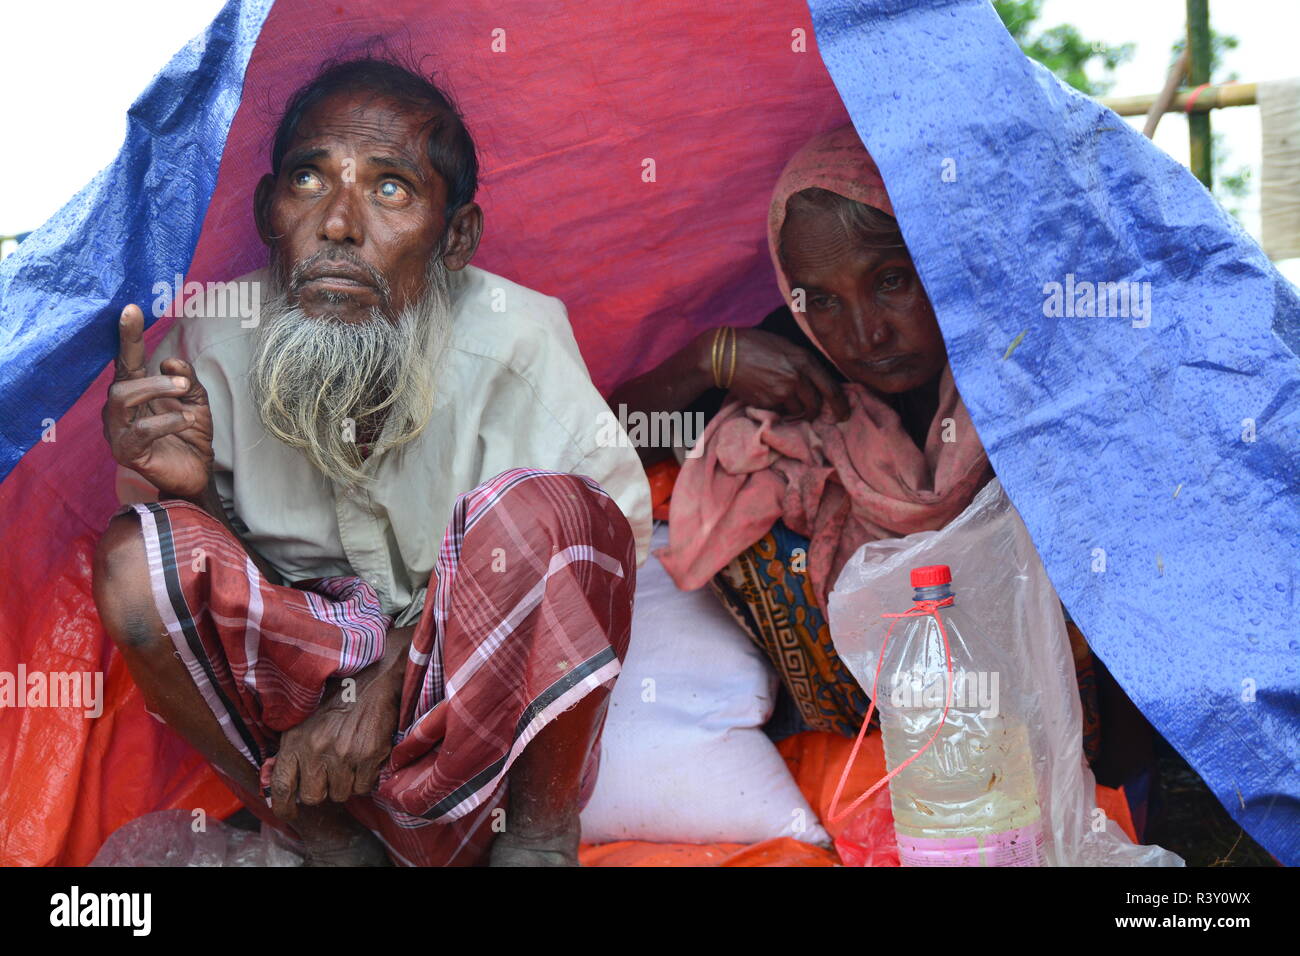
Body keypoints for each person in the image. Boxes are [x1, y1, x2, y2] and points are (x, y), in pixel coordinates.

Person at [93, 57, 651, 867]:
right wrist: (194, 501)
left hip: (481, 739)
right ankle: (327, 848)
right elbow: (218, 607)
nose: (341, 224)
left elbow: (610, 545)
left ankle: (538, 841)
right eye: (309, 179)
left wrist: (391, 676)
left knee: (553, 511)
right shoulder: (209, 347)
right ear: (268, 210)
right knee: (136, 556)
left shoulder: (515, 342)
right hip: (306, 749)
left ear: (455, 235)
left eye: (390, 189)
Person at [610, 125, 1111, 767]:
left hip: (1062, 746)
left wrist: (1120, 800)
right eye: (821, 300)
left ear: (943, 258)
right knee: (748, 475)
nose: (866, 333)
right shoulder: (799, 360)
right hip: (869, 743)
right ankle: (858, 760)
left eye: (893, 280)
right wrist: (712, 358)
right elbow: (593, 444)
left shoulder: (1027, 365)